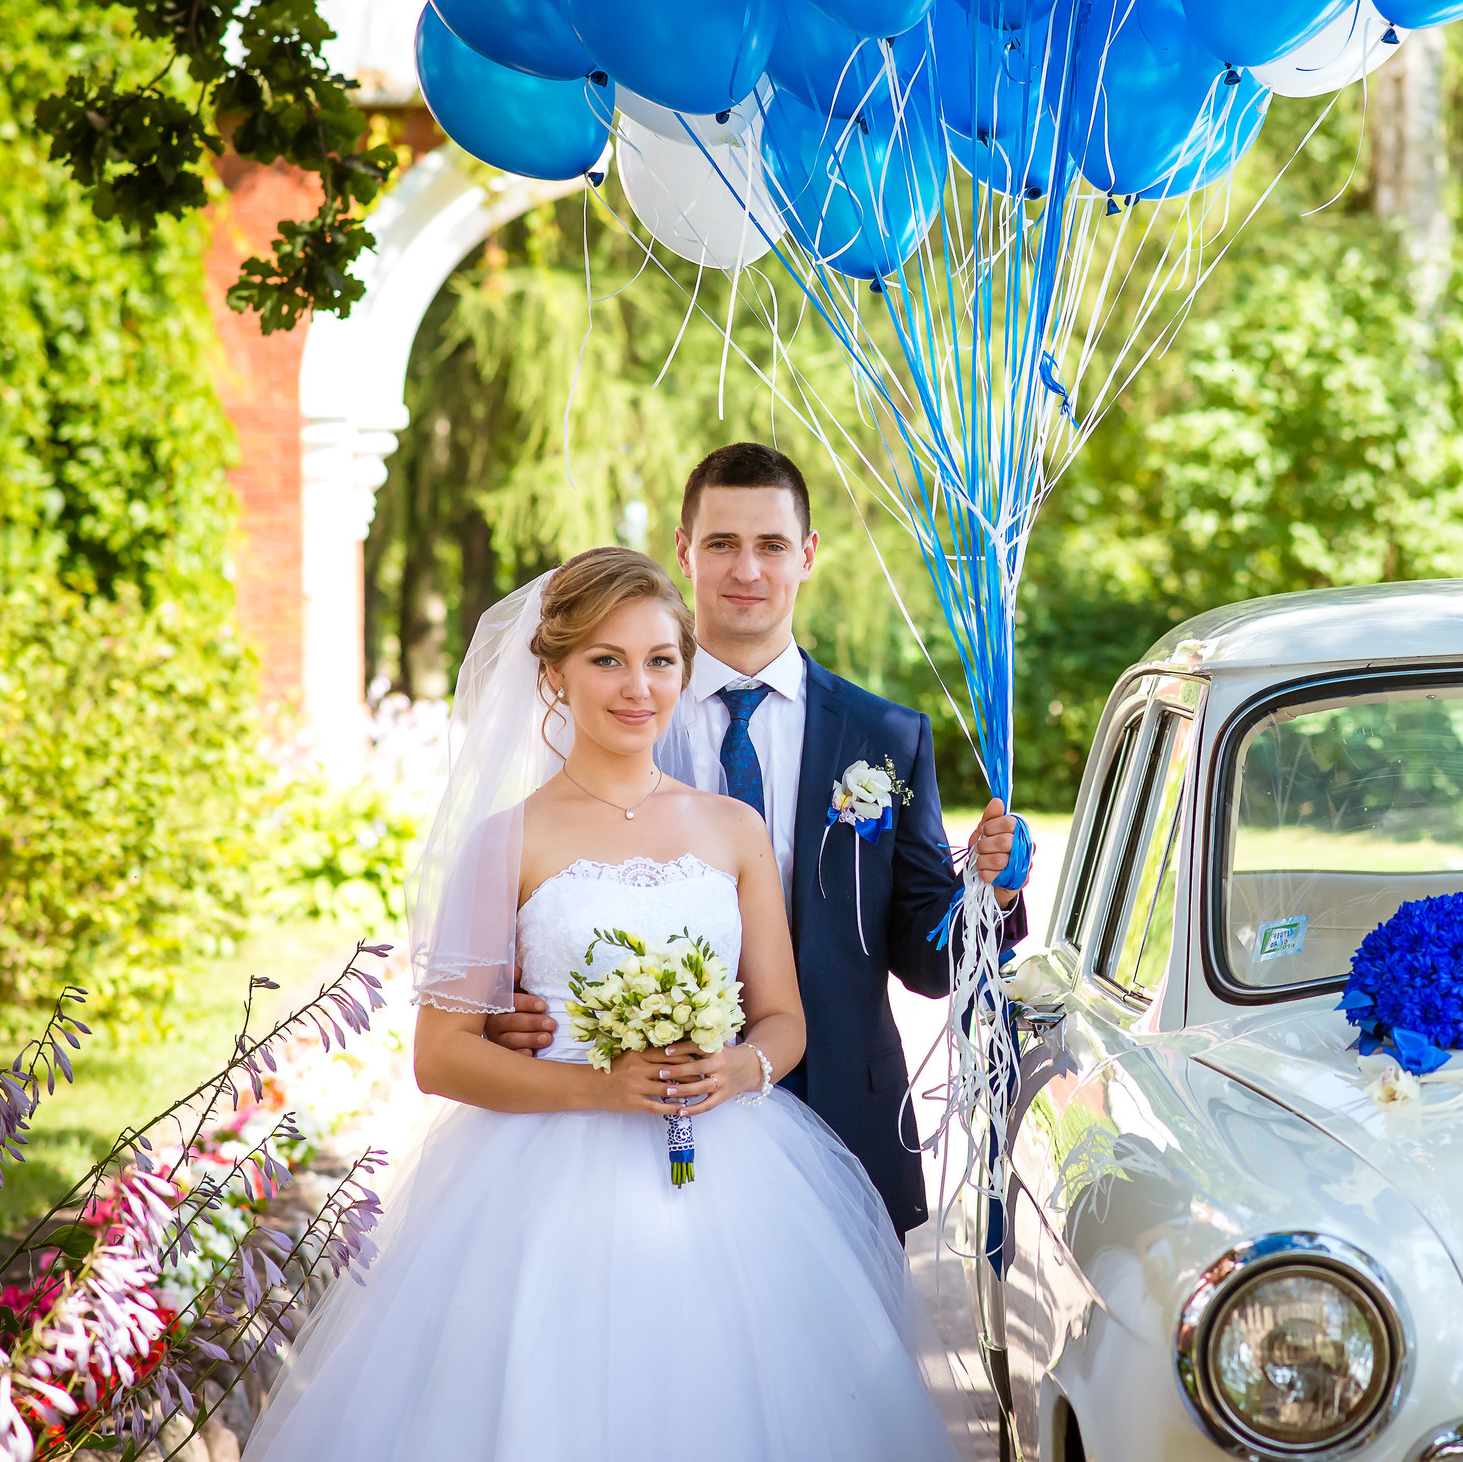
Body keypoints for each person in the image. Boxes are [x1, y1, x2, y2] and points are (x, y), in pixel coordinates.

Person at [243, 548, 960, 1462]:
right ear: (554, 673)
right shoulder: (507, 842)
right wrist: (601, 1089)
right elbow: (440, 1055)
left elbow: (783, 1018)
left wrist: (743, 1066)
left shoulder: (730, 829)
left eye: (661, 660)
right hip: (546, 1184)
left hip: (734, 1167)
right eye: (606, 660)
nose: (638, 687)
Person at [483, 443, 1025, 1237]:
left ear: (806, 555)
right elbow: (534, 898)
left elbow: (922, 956)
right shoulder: (617, 711)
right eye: (722, 544)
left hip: (843, 1116)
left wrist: (990, 897)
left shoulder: (884, 736)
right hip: (633, 1131)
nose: (746, 569)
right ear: (683, 550)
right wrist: (512, 1014)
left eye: (771, 545)